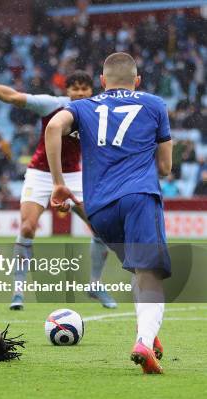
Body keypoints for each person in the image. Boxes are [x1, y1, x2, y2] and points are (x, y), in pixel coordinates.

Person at [45, 52, 171, 374]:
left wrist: (59, 183)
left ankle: (148, 332)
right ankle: (144, 339)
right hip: (139, 198)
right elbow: (166, 168)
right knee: (150, 273)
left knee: (136, 268)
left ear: (101, 82)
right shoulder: (154, 104)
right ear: (137, 81)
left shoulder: (83, 106)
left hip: (100, 210)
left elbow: (53, 128)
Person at [0, 60, 115, 310]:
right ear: (67, 90)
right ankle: (18, 291)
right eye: (75, 88)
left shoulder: (98, 113)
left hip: (75, 177)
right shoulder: (53, 105)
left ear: (92, 90)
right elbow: (13, 96)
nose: (81, 93)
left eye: (85, 88)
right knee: (28, 227)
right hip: (41, 174)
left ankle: (95, 284)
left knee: (101, 228)